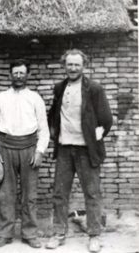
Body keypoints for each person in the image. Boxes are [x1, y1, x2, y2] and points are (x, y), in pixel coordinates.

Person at [46, 49, 112, 253]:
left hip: (86, 150)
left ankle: (94, 235)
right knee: (59, 193)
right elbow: (53, 115)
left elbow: (106, 120)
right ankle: (58, 233)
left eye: (77, 65)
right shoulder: (59, 88)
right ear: (64, 66)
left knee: (92, 193)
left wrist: (93, 140)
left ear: (84, 66)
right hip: (65, 148)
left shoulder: (94, 88)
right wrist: (54, 133)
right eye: (69, 64)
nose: (73, 68)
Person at [0, 59, 50, 249]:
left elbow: (44, 129)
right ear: (10, 75)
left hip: (29, 148)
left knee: (29, 195)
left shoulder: (35, 98)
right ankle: (5, 233)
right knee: (6, 194)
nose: (19, 76)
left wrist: (39, 152)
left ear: (27, 75)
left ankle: (30, 233)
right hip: (6, 148)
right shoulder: (1, 98)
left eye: (22, 73)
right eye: (16, 73)